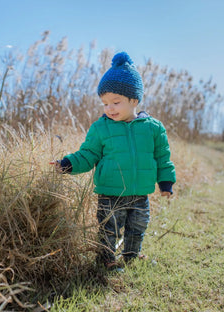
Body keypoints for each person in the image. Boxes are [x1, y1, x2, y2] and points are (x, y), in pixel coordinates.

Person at [51, 52, 176, 271]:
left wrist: (166, 183)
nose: (110, 108)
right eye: (105, 103)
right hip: (110, 193)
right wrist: (67, 164)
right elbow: (88, 154)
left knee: (137, 226)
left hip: (140, 193)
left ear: (134, 100)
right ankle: (106, 259)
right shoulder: (101, 128)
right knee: (109, 227)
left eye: (116, 102)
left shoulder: (153, 128)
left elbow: (162, 157)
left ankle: (131, 255)